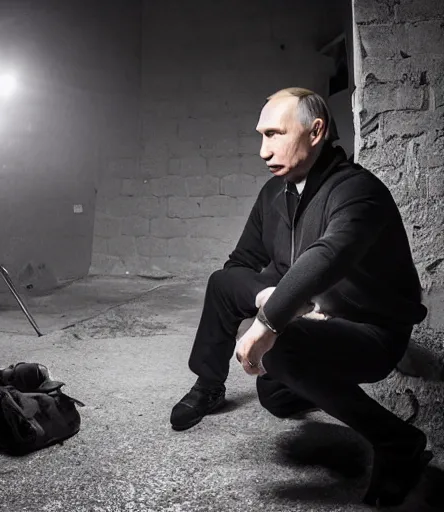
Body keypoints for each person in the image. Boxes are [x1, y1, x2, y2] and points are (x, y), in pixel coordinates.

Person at [169, 87, 431, 507]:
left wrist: (266, 325)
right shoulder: (274, 193)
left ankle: (399, 443)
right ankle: (208, 386)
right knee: (230, 298)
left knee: (280, 353)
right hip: (308, 317)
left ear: (316, 131)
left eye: (274, 134)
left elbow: (327, 256)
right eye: (260, 135)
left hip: (370, 332)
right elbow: (240, 263)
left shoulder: (357, 190)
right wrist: (268, 297)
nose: (262, 149)